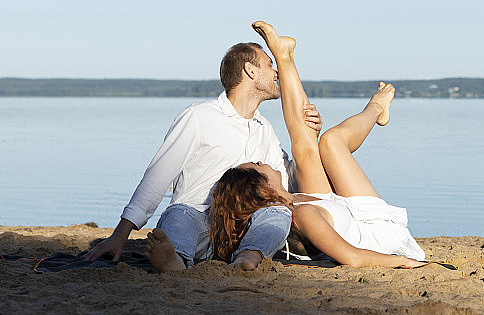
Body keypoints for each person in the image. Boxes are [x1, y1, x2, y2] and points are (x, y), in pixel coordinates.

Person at [145, 22, 426, 270]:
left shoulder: (278, 172)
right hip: (375, 228)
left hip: (338, 208)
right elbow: (353, 257)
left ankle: (285, 56)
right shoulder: (293, 213)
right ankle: (375, 108)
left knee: (310, 146)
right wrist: (401, 260)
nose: (261, 160)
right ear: (264, 185)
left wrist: (310, 130)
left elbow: (300, 152)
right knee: (331, 142)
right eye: (256, 164)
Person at [85, 40, 323, 270]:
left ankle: (247, 258)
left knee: (276, 212)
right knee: (178, 214)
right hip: (197, 223)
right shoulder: (198, 117)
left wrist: (310, 135)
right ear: (250, 70)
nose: (276, 73)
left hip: (244, 232)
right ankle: (174, 260)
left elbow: (286, 180)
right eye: (270, 65)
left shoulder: (264, 129)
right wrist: (120, 235)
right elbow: (157, 178)